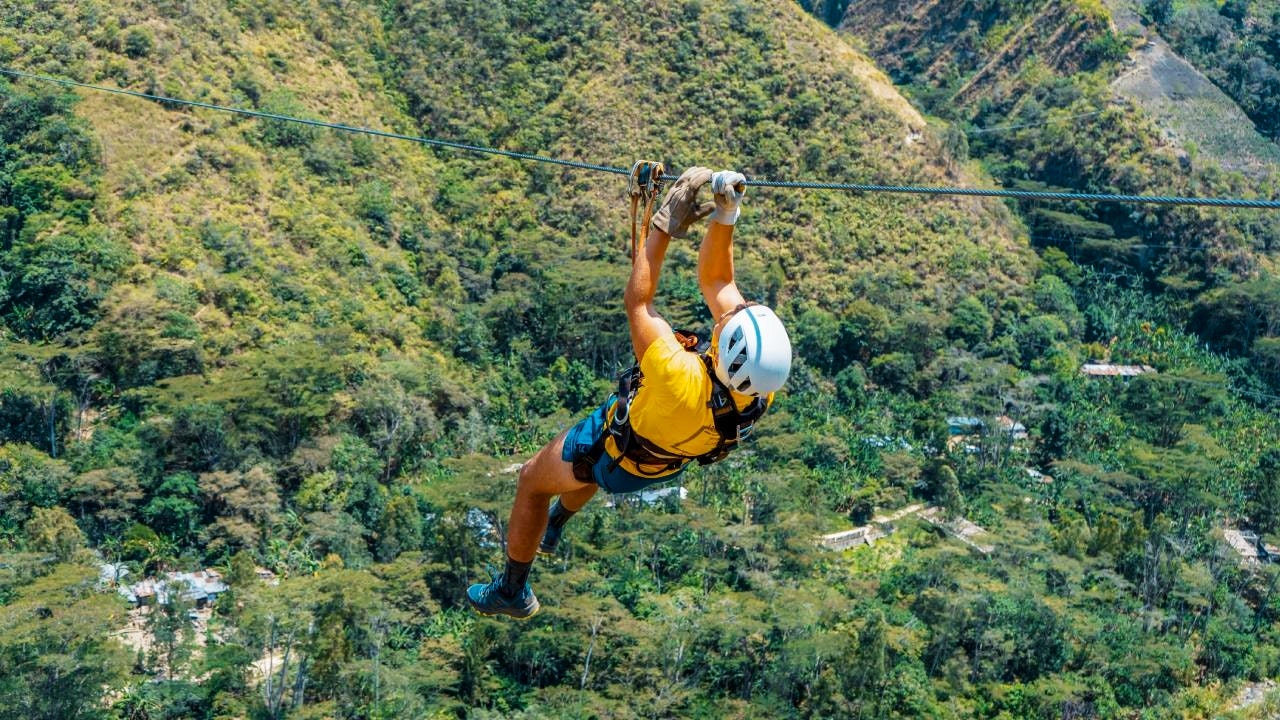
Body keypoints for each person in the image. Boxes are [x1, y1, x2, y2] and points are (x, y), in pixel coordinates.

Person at [466, 167, 792, 619]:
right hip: (663, 464)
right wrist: (726, 214)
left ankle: (511, 590)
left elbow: (639, 301)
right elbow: (719, 282)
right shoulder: (758, 391)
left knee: (534, 480)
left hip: (618, 449)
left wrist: (663, 227)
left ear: (727, 351)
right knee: (585, 473)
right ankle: (556, 524)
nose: (724, 318)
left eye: (725, 327)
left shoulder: (678, 375)